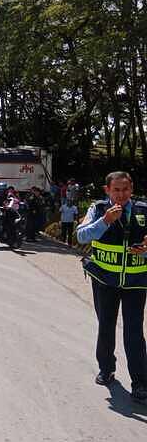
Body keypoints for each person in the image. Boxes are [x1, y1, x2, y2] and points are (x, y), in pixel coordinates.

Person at [76, 171, 147, 404]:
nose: (121, 195)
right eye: (116, 190)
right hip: (105, 281)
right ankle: (106, 369)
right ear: (107, 190)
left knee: (134, 333)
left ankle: (140, 383)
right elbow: (82, 236)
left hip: (136, 282)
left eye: (125, 189)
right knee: (106, 327)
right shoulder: (97, 210)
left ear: (132, 189)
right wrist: (105, 221)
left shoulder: (143, 210)